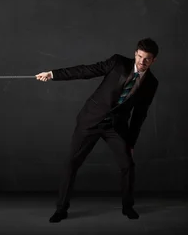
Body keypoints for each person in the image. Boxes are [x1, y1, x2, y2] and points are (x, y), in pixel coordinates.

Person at [35, 38, 159, 222]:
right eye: (139, 56)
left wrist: (131, 142)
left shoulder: (151, 83)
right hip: (91, 120)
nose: (142, 62)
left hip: (116, 127)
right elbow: (86, 71)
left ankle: (128, 207)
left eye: (147, 59)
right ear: (135, 54)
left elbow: (140, 115)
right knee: (71, 163)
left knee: (128, 165)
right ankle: (61, 209)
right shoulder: (118, 63)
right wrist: (53, 74)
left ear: (153, 60)